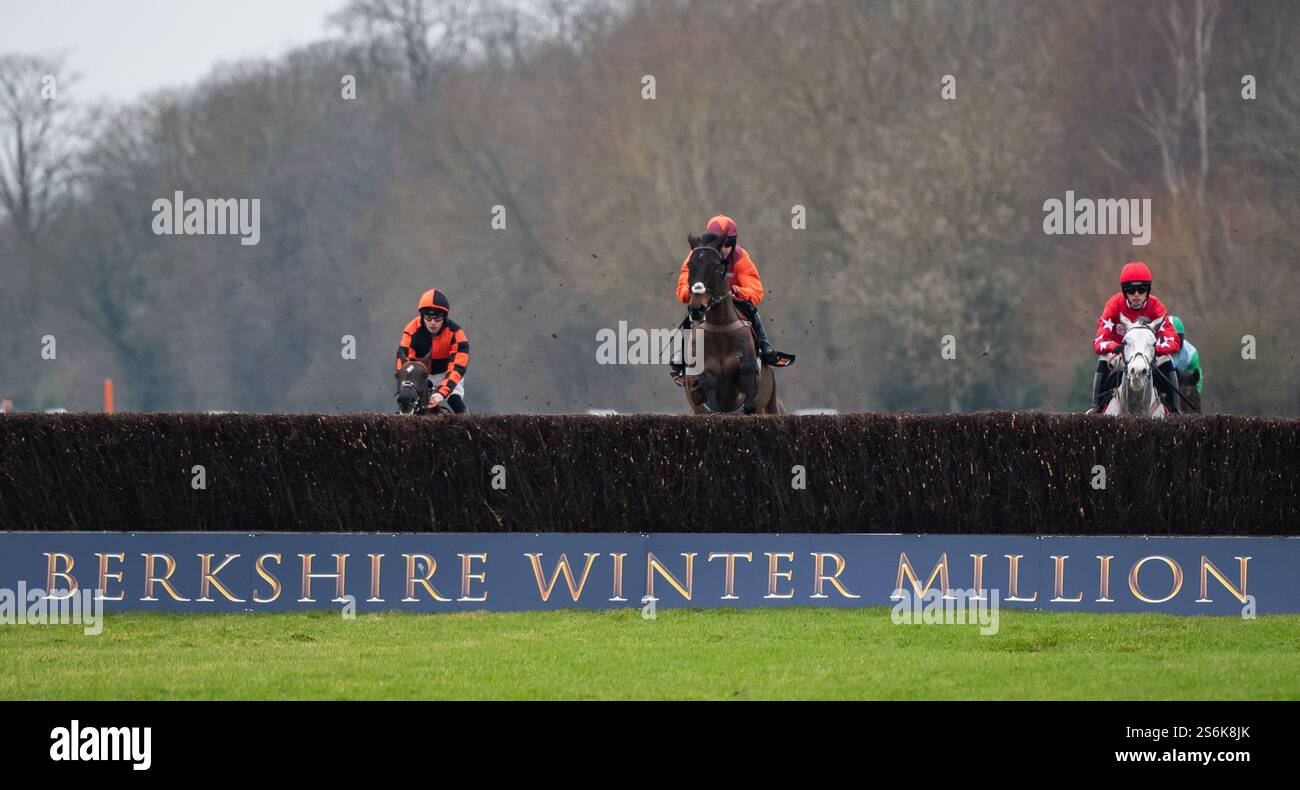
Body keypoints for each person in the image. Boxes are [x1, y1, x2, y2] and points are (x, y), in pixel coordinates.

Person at [670, 214, 792, 380]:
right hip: (707, 301)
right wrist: (692, 292)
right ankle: (683, 356)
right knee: (692, 312)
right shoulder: (696, 256)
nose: (726, 249)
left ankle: (764, 345)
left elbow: (756, 291)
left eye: (730, 244)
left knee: (751, 310)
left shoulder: (741, 258)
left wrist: (737, 291)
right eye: (723, 244)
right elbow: (682, 289)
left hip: (733, 301)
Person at [1089, 260, 1182, 414]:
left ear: (1148, 290)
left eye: (1142, 289)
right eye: (1131, 290)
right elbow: (1097, 342)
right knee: (1104, 356)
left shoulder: (1156, 306)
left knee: (1167, 359)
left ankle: (1175, 410)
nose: (1137, 294)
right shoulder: (1114, 305)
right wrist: (1115, 347)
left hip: (1147, 357)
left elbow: (1174, 341)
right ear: (1124, 291)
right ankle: (1095, 407)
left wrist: (1153, 349)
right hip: (1121, 355)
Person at [395, 288, 470, 413]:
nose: (433, 323)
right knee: (406, 402)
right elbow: (404, 365)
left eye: (438, 318)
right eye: (428, 318)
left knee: (455, 402)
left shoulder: (457, 334)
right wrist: (406, 389)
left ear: (445, 317)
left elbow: (457, 368)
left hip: (448, 373)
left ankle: (471, 430)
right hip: (421, 375)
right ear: (422, 316)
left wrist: (440, 393)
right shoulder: (411, 330)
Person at [1169, 315, 1203, 413]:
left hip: (1181, 385)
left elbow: (1198, 378)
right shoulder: (1154, 347)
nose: (1176, 342)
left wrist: (1196, 393)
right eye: (1172, 338)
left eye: (1178, 337)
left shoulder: (1191, 353)